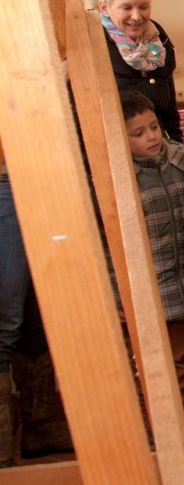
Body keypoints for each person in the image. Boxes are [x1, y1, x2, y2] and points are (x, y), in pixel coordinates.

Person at [119, 91, 184, 445]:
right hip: (140, 285)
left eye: (153, 127)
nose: (150, 136)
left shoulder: (179, 161)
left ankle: (176, 418)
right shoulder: (114, 176)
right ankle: (144, 424)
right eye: (137, 133)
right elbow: (105, 240)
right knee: (142, 361)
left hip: (181, 280)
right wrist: (113, 289)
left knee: (177, 357)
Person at [1, 170, 73, 467]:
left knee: (37, 317)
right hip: (8, 180)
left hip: (37, 174)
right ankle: (3, 455)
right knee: (5, 324)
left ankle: (39, 427)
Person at [95, 0, 182, 142]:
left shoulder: (161, 44)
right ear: (104, 7)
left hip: (159, 148)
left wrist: (177, 147)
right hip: (113, 148)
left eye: (143, 7)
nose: (136, 16)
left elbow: (170, 111)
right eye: (126, 8)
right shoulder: (92, 42)